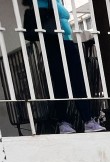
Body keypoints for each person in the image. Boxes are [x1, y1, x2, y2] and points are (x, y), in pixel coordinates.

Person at [26, 0, 105, 133]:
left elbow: (63, 15)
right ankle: (70, 121)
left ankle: (80, 120)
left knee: (73, 81)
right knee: (62, 83)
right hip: (54, 42)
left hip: (66, 41)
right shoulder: (41, 2)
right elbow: (62, 13)